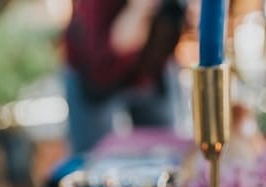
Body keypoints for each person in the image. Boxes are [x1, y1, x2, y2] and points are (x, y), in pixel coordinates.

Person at [64, 0, 189, 154]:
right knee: (93, 158)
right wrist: (138, 9)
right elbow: (111, 47)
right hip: (95, 75)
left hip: (148, 70)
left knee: (165, 152)